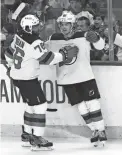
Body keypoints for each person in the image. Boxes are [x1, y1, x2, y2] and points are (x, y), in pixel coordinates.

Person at [4, 14, 78, 151]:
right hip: (27, 79)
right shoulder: (34, 41)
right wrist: (64, 55)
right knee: (40, 105)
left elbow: (8, 54)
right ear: (29, 27)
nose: (39, 27)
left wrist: (10, 68)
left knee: (30, 105)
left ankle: (27, 135)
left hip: (18, 77)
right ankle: (37, 139)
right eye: (36, 26)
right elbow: (48, 59)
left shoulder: (18, 36)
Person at [47, 10, 107, 147]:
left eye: (67, 24)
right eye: (61, 24)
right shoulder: (54, 38)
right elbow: (45, 53)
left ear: (73, 24)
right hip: (66, 79)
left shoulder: (84, 35)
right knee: (81, 107)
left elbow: (101, 46)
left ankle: (101, 130)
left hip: (85, 76)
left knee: (93, 104)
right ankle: (94, 131)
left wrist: (97, 39)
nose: (63, 26)